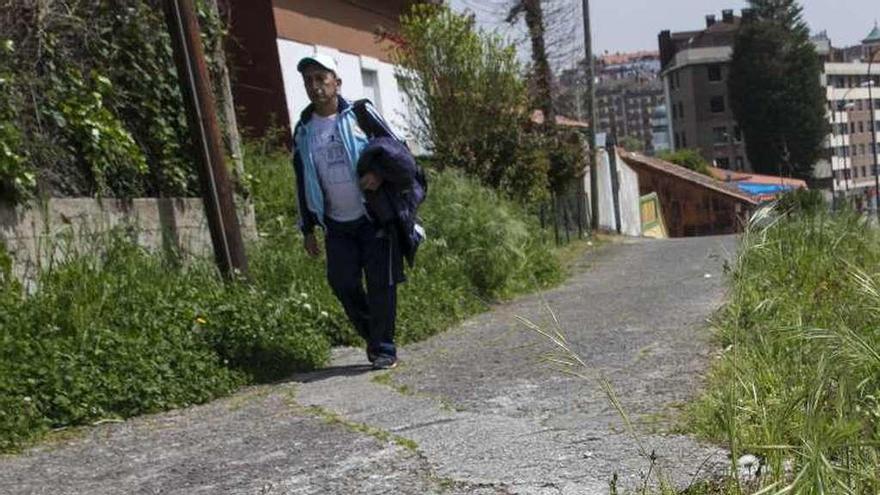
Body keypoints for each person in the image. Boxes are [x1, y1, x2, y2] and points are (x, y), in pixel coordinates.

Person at [291, 53, 411, 370]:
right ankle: (375, 334)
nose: (315, 87)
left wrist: (381, 176)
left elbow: (399, 152)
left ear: (337, 82)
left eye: (321, 79)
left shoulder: (360, 114)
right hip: (335, 223)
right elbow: (301, 178)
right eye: (308, 81)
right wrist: (307, 228)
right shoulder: (303, 129)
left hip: (373, 217)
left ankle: (384, 348)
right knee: (341, 282)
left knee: (380, 284)